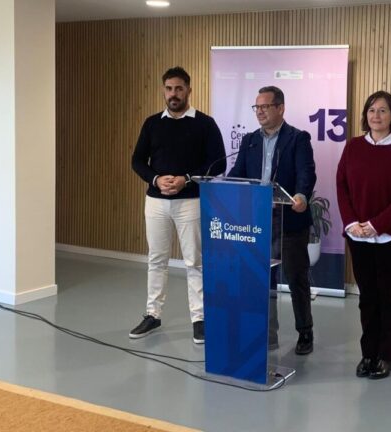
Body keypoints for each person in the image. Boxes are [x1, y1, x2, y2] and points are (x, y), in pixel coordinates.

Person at [129, 66, 226, 343]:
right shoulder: (152, 123)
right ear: (163, 90)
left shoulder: (205, 123)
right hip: (156, 202)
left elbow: (219, 162)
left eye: (179, 88)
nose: (174, 94)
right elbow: (137, 161)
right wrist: (156, 179)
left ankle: (200, 319)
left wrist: (186, 179)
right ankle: (152, 314)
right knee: (156, 260)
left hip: (191, 202)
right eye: (169, 88)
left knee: (194, 262)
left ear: (189, 91)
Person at [336, 90, 391, 379]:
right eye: (372, 110)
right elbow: (342, 187)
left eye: (383, 110)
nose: (376, 116)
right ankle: (368, 353)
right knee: (367, 297)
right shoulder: (353, 147)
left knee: (390, 298)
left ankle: (387, 356)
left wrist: (377, 224)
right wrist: (351, 223)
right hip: (358, 236)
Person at [228, 86, 317, 355]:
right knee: (260, 278)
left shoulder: (297, 138)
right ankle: (268, 333)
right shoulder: (250, 140)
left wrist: (301, 195)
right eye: (257, 107)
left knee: (295, 277)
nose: (260, 112)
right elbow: (237, 173)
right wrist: (220, 187)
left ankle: (305, 332)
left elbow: (306, 172)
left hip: (289, 220)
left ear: (280, 108)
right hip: (257, 222)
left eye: (265, 107)